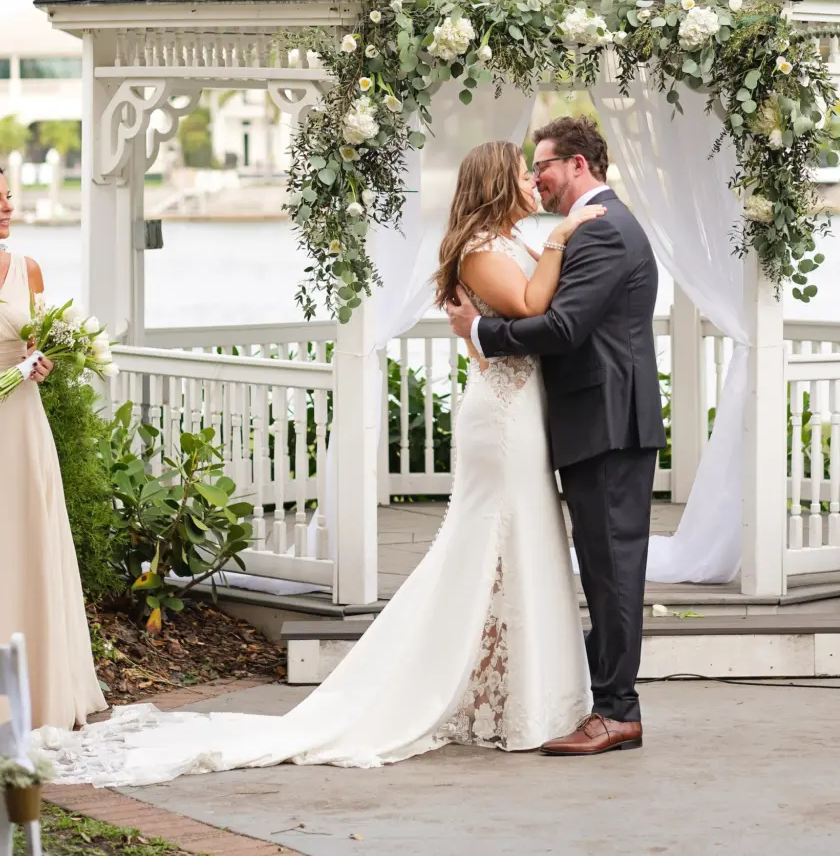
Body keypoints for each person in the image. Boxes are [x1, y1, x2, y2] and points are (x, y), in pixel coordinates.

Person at [41, 140, 600, 784]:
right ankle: (462, 688)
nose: (535, 181)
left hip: (524, 404)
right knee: (493, 540)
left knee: (522, 543)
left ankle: (513, 691)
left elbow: (542, 313)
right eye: (524, 172)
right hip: (502, 418)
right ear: (498, 180)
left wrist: (550, 244)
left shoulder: (510, 242)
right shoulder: (480, 249)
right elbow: (532, 308)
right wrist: (561, 235)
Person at [446, 115, 664, 756]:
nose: (535, 175)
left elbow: (563, 328)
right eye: (529, 165)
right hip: (593, 420)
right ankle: (606, 704)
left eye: (542, 163)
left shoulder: (599, 230)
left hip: (606, 423)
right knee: (603, 568)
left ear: (577, 165)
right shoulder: (589, 229)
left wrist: (480, 334)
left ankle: (618, 712)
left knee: (614, 572)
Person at [0, 170, 107, 730]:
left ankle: (39, 691)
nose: (5, 207)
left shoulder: (29, 270)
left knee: (27, 539)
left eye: (8, 196)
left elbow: (39, 346)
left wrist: (42, 366)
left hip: (21, 424)